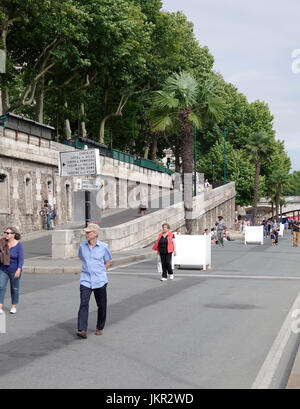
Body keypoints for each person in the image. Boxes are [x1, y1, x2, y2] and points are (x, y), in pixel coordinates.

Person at [76, 223, 112, 339]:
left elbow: (108, 261)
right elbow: (82, 258)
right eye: (85, 232)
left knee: (101, 305)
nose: (86, 234)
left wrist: (101, 272)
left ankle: (100, 327)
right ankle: (82, 329)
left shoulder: (104, 247)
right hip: (85, 280)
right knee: (84, 303)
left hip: (100, 280)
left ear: (95, 234)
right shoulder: (82, 246)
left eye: (88, 232)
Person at [0, 227, 24, 314]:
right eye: (5, 232)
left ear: (13, 234)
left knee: (14, 288)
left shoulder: (18, 245)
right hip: (3, 269)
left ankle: (13, 306)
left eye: (8, 233)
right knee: (1, 287)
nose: (6, 234)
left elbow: (21, 259)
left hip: (14, 270)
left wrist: (19, 269)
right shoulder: (2, 242)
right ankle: (0, 306)